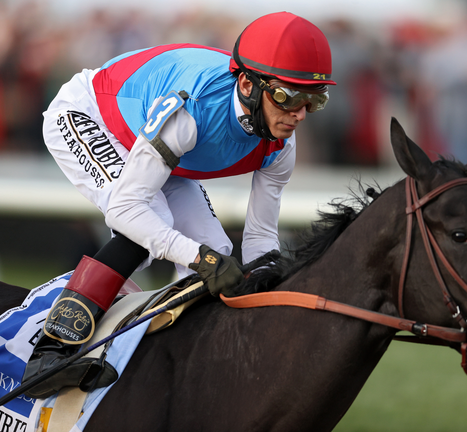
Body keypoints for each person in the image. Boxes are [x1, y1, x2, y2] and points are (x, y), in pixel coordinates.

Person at [22, 11, 336, 399]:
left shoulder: (280, 145)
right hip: (90, 113)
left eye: (313, 101)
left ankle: (171, 357)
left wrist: (269, 295)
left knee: (219, 249)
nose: (299, 114)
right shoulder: (192, 110)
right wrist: (200, 260)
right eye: (288, 97)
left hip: (157, 150)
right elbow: (126, 210)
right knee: (152, 226)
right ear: (248, 85)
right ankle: (51, 352)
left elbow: (260, 238)